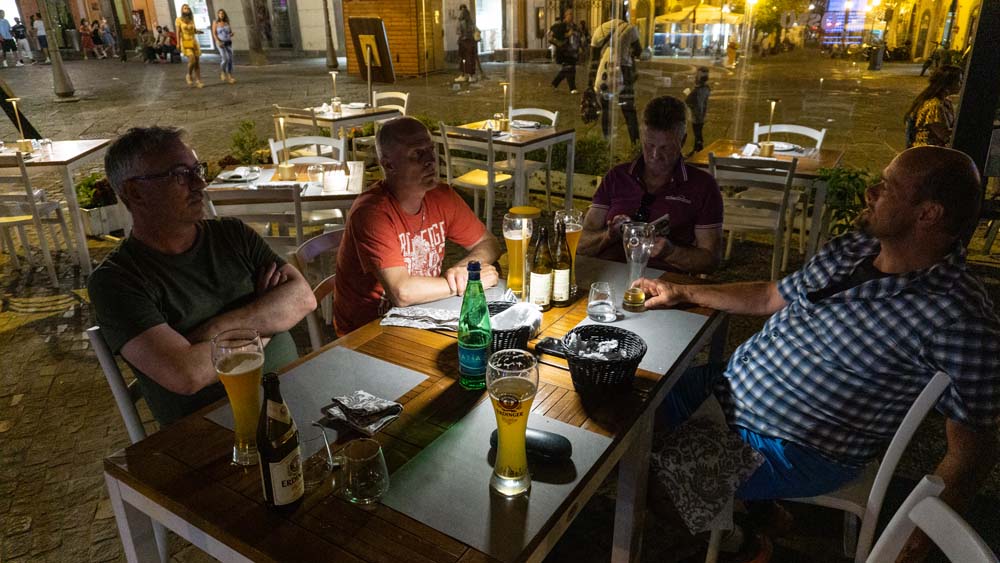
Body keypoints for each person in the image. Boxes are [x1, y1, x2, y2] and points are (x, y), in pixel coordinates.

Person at [638, 146, 999, 560]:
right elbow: (771, 295)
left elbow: (973, 450)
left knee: (658, 483)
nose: (870, 192)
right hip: (729, 386)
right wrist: (682, 291)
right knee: (631, 407)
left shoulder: (958, 316)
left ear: (928, 214)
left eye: (887, 187)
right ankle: (759, 506)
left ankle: (746, 545)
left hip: (792, 446)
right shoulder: (855, 248)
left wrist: (911, 549)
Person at [88, 126, 316, 426]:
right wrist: (267, 324)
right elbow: (187, 374)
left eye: (197, 169)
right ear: (134, 192)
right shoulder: (116, 281)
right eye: (180, 175)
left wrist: (214, 330)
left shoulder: (233, 235)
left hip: (293, 396)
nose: (200, 183)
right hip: (210, 429)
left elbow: (303, 298)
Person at [333, 117, 502, 336]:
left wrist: (466, 268)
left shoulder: (441, 196)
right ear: (389, 164)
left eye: (431, 150)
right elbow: (402, 292)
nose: (431, 160)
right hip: (368, 331)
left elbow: (489, 243)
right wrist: (469, 280)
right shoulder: (372, 213)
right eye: (417, 153)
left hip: (420, 314)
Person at [578, 96, 723, 275]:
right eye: (649, 145)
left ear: (683, 141)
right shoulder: (617, 176)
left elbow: (711, 260)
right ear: (642, 138)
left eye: (665, 147)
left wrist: (670, 252)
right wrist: (608, 236)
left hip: (664, 282)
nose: (655, 155)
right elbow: (581, 244)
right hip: (607, 275)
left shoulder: (702, 186)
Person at [587, 8, 641, 144]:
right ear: (625, 14)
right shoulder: (630, 29)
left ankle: (607, 141)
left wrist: (590, 83)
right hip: (625, 71)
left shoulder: (599, 30)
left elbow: (593, 60)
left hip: (604, 73)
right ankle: (635, 143)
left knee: (606, 110)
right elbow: (639, 51)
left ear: (609, 14)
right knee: (629, 110)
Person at [905, 65, 962, 148]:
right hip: (927, 151)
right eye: (959, 81)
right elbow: (945, 136)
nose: (961, 84)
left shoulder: (946, 102)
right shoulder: (934, 106)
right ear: (947, 84)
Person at [548, 8, 580, 94]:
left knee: (567, 69)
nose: (572, 16)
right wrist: (567, 35)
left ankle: (554, 83)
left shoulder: (573, 26)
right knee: (570, 68)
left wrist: (579, 46)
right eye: (570, 14)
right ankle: (572, 88)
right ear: (565, 16)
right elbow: (554, 36)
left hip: (573, 51)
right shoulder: (561, 25)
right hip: (564, 51)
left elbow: (577, 36)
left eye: (572, 14)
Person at [684, 66, 711, 155]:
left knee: (697, 133)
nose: (695, 76)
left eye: (697, 74)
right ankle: (697, 149)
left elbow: (692, 101)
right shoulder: (704, 89)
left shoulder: (699, 90)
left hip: (697, 115)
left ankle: (699, 149)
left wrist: (689, 96)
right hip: (699, 114)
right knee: (697, 133)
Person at [176, 4, 203, 87]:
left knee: (197, 62)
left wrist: (198, 31)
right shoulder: (178, 20)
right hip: (185, 42)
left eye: (188, 8)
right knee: (192, 59)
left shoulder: (191, 19)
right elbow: (178, 32)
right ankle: (189, 75)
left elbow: (193, 30)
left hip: (193, 42)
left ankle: (198, 81)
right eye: (185, 8)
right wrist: (178, 43)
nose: (187, 9)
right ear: (182, 10)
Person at [455, 4, 477, 83]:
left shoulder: (460, 21)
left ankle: (463, 76)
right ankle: (470, 76)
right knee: (470, 59)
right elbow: (474, 30)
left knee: (463, 59)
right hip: (470, 42)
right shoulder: (471, 21)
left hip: (463, 42)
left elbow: (458, 31)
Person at [212, 9, 235, 83]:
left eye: (222, 13)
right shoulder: (215, 22)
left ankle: (229, 75)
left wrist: (231, 34)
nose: (221, 15)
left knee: (230, 59)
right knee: (225, 59)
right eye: (220, 13)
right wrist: (218, 41)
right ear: (218, 15)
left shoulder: (227, 22)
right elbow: (214, 33)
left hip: (228, 42)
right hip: (220, 43)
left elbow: (230, 32)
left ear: (224, 14)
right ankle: (223, 71)